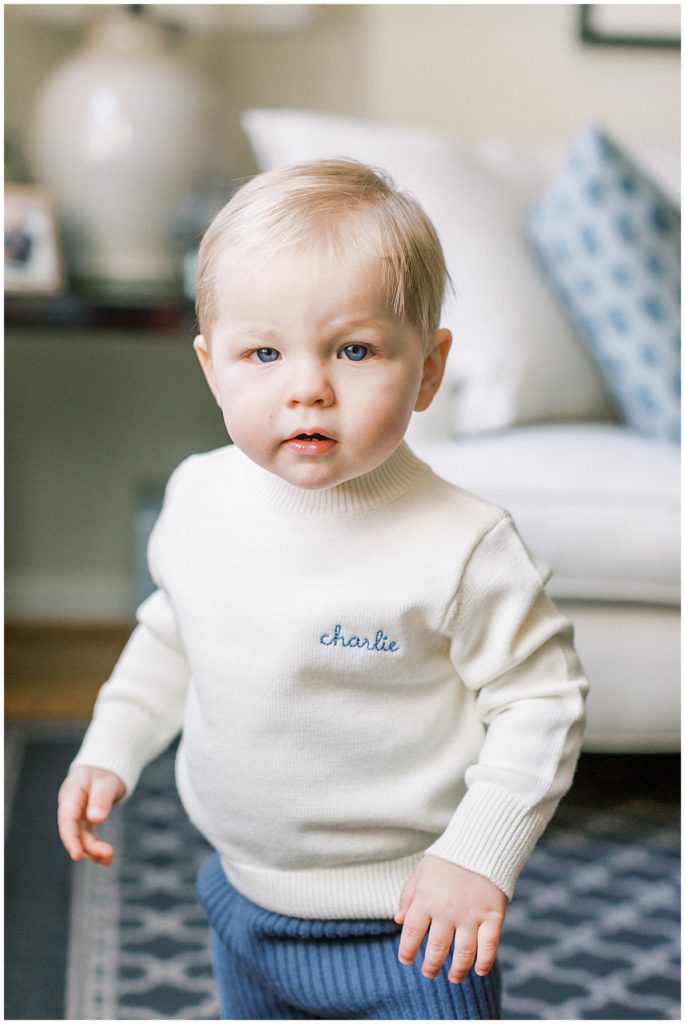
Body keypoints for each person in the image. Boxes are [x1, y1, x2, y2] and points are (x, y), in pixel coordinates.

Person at [57, 159, 588, 1020]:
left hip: (415, 926)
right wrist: (109, 745)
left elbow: (542, 703)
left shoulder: (462, 545)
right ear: (212, 368)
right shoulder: (199, 496)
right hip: (244, 904)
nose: (307, 385)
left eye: (354, 349)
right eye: (263, 352)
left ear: (426, 368)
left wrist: (476, 858)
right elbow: (169, 636)